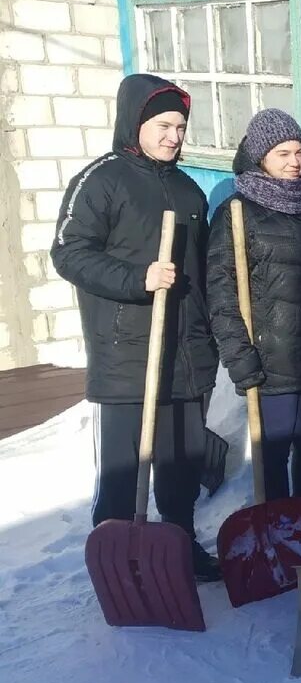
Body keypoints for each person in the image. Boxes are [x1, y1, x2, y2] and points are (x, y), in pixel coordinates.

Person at [50, 74, 222, 581]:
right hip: (129, 349)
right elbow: (69, 252)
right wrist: (138, 279)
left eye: (181, 126)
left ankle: (178, 544)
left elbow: (201, 271)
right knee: (125, 469)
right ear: (136, 123)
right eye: (164, 124)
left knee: (182, 462)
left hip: (186, 350)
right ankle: (117, 558)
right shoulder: (101, 179)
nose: (174, 136)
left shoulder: (190, 190)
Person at [206, 109, 301, 500]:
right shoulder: (236, 214)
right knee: (270, 462)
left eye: (299, 152)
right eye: (283, 154)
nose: (295, 162)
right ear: (261, 158)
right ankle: (275, 537)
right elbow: (222, 295)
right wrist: (239, 358)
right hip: (268, 364)